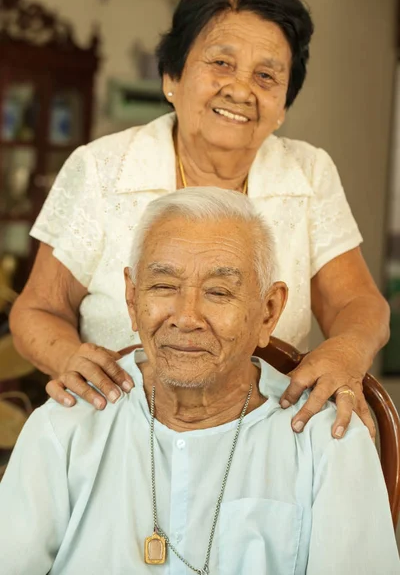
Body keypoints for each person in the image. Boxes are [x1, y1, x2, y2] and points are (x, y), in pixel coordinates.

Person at [9, 0, 389, 440]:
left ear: (283, 104)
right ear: (172, 77)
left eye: (267, 76)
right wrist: (68, 356)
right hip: (118, 429)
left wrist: (346, 351)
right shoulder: (102, 169)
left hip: (265, 435)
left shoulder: (308, 172)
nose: (241, 89)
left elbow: (357, 302)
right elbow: (37, 310)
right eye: (221, 63)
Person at [1, 188, 398, 575]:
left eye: (219, 291)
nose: (186, 317)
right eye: (163, 286)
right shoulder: (66, 425)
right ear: (131, 298)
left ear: (268, 311)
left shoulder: (327, 440)